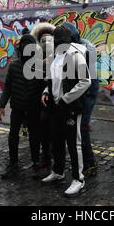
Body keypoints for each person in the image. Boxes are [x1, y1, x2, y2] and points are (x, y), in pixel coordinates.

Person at [40, 26, 91, 197]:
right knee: (56, 140)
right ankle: (58, 171)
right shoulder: (55, 57)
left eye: (61, 41)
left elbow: (86, 81)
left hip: (70, 107)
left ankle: (79, 179)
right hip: (55, 106)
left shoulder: (77, 56)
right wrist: (46, 92)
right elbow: (53, 81)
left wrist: (66, 98)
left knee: (73, 143)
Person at [0, 34, 45, 179]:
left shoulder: (39, 65)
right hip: (17, 107)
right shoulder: (14, 65)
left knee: (34, 136)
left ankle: (36, 161)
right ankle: (13, 163)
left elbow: (45, 87)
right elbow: (8, 87)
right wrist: (1, 104)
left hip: (33, 107)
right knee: (13, 135)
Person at [61, 22, 99, 177]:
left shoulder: (85, 47)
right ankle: (81, 160)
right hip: (77, 86)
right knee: (74, 126)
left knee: (82, 127)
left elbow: (85, 70)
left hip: (88, 87)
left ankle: (90, 163)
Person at [30, 22, 56, 172]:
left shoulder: (59, 56)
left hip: (54, 100)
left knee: (53, 130)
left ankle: (53, 157)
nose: (46, 41)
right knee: (42, 129)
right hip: (38, 100)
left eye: (49, 38)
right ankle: (45, 157)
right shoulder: (35, 57)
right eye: (43, 39)